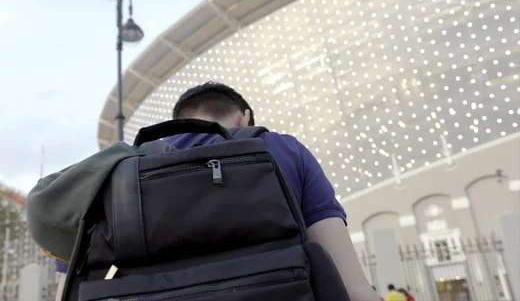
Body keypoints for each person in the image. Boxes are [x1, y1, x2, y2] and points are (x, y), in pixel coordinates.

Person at [53, 82, 379, 301]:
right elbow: (354, 289)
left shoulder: (119, 172)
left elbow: (65, 288)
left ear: (176, 123)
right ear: (245, 117)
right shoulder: (283, 149)